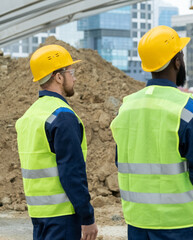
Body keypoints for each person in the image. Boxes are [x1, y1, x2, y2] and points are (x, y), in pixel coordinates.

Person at [110, 25, 193, 240]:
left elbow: (120, 160)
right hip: (180, 223)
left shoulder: (127, 108)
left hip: (138, 221)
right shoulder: (189, 110)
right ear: (177, 62)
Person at [15, 44, 98, 240]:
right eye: (71, 72)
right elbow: (72, 173)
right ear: (58, 77)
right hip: (63, 218)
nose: (74, 78)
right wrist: (87, 217)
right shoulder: (62, 117)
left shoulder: (29, 116)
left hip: (39, 216)